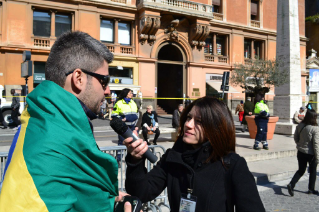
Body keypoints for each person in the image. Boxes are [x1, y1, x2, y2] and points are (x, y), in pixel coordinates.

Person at [0, 31, 128, 211]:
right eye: (104, 81)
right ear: (79, 78)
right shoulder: (47, 146)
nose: (107, 91)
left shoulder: (49, 123)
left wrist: (107, 202)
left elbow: (74, 195)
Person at [123, 97, 265, 212]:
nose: (188, 124)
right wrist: (135, 160)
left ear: (216, 128)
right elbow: (142, 192)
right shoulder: (173, 157)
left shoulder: (232, 165)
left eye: (199, 121)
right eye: (189, 118)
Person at [287, 109, 319, 196]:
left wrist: (299, 144)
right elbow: (316, 144)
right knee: (312, 171)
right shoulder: (315, 128)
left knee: (301, 170)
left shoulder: (300, 125)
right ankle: (311, 189)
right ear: (314, 117)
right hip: (311, 154)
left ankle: (291, 184)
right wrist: (317, 157)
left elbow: (295, 137)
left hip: (300, 152)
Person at [112, 88, 138, 164]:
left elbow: (136, 115)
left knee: (133, 143)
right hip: (123, 128)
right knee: (121, 143)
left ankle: (130, 159)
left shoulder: (133, 102)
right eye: (130, 93)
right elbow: (114, 115)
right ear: (126, 94)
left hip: (132, 127)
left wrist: (135, 124)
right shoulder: (119, 103)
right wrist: (122, 120)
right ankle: (119, 160)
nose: (132, 94)